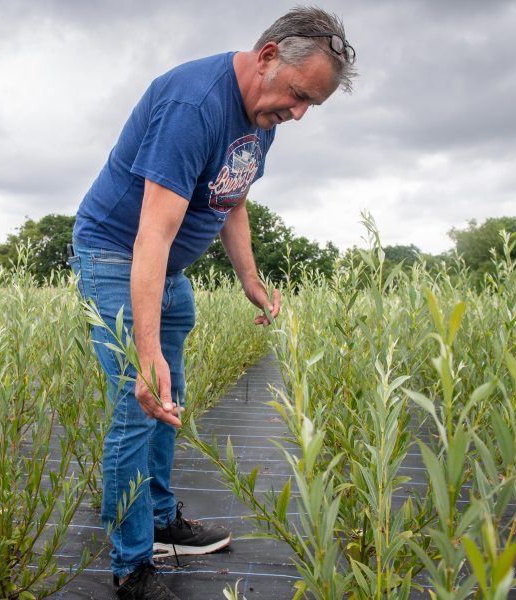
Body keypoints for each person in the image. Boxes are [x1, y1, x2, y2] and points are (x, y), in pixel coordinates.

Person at [69, 6, 355, 599]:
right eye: (299, 96)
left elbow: (235, 199)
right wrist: (145, 351)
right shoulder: (193, 104)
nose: (298, 114)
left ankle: (161, 516)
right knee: (139, 400)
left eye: (311, 107)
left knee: (170, 394)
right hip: (118, 255)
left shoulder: (262, 118)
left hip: (162, 268)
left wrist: (250, 278)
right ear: (269, 55)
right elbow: (152, 231)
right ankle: (131, 566)